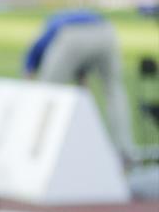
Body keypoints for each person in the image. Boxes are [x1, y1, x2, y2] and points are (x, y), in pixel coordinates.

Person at [25, 9, 138, 162]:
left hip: (72, 35)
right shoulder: (64, 18)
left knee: (47, 94)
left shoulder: (47, 29)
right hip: (106, 31)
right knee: (114, 91)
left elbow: (33, 57)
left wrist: (29, 71)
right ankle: (125, 149)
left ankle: (36, 147)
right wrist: (81, 75)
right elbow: (82, 61)